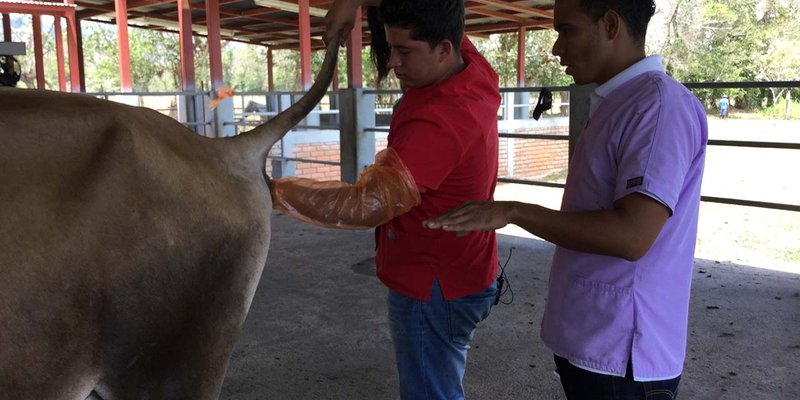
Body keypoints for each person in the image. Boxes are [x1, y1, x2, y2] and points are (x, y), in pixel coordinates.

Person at [425, 0, 708, 399]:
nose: (557, 48)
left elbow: (632, 235)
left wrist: (513, 211)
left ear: (610, 25)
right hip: (593, 337)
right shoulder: (620, 101)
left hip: (623, 353)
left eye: (566, 30)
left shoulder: (657, 106)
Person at [272, 0, 502, 398]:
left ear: (444, 49)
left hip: (432, 286)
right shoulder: (469, 64)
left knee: (430, 390)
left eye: (405, 51)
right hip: (467, 266)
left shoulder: (442, 121)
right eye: (389, 47)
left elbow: (364, 206)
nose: (392, 61)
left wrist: (273, 191)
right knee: (442, 376)